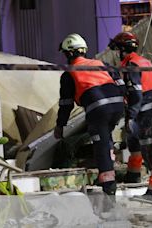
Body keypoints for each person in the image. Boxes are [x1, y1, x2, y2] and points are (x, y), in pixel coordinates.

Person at [54, 33, 125, 195]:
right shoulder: (102, 64)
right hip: (117, 106)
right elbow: (120, 86)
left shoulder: (69, 74)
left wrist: (60, 126)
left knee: (100, 146)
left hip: (98, 110)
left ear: (69, 53)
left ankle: (109, 188)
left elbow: (66, 104)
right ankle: (105, 173)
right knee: (106, 138)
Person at [111, 32, 152, 200]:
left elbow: (136, 95)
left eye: (117, 49)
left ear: (122, 49)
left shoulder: (131, 65)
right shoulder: (144, 61)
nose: (116, 54)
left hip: (145, 112)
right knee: (133, 140)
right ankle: (133, 175)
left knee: (149, 147)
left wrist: (131, 117)